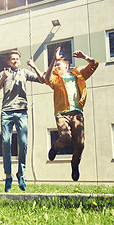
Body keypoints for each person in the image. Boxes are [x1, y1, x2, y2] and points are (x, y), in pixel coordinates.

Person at [29, 47, 98, 181]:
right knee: (66, 138)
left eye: (58, 64)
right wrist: (53, 59)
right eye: (55, 65)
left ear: (66, 65)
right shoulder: (55, 78)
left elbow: (94, 64)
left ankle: (75, 164)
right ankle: (55, 148)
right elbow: (46, 78)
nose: (56, 66)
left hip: (77, 113)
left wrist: (85, 57)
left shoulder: (78, 74)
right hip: (62, 113)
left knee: (80, 144)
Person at [0, 50, 44, 192]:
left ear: (19, 61)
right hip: (7, 112)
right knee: (5, 142)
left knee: (23, 142)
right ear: (9, 62)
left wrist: (33, 66)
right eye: (12, 59)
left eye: (17, 59)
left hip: (22, 111)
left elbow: (42, 80)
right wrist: (3, 78)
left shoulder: (24, 72)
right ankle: (8, 176)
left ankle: (21, 174)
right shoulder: (3, 73)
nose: (15, 61)